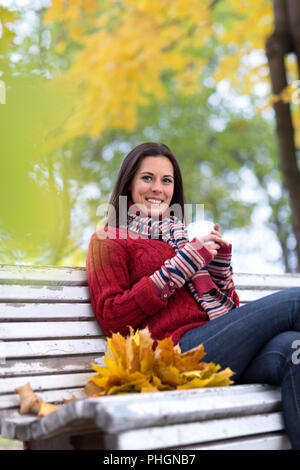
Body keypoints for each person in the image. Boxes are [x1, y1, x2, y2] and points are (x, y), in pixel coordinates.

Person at [86, 142, 300, 449]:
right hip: (171, 354)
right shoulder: (109, 240)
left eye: (166, 180)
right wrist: (185, 262)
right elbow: (113, 317)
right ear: (129, 183)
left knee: (295, 350)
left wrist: (218, 267)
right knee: (295, 302)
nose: (157, 188)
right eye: (147, 178)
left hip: (218, 348)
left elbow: (226, 311)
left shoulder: (182, 236)